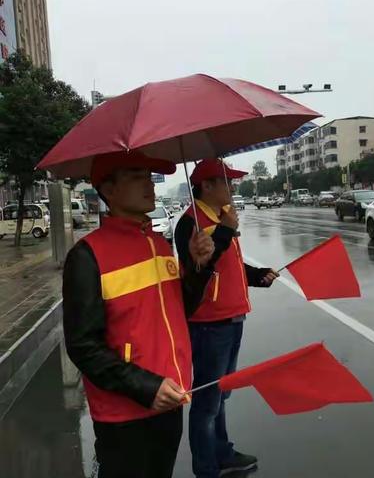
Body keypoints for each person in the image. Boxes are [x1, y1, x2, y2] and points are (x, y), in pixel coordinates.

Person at [63, 151, 215, 478]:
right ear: (109, 190)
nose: (148, 183)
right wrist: (146, 387)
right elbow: (83, 346)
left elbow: (180, 310)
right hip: (124, 415)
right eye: (136, 175)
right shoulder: (87, 256)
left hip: (170, 398)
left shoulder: (160, 244)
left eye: (148, 175)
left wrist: (198, 267)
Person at [175, 159, 279, 478]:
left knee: (221, 395)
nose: (231, 189)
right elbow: (198, 271)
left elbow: (229, 266)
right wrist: (224, 231)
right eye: (226, 182)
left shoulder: (220, 218)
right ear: (206, 186)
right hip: (210, 323)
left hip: (232, 318)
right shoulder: (191, 223)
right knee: (207, 402)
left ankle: (222, 453)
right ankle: (206, 468)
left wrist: (257, 275)